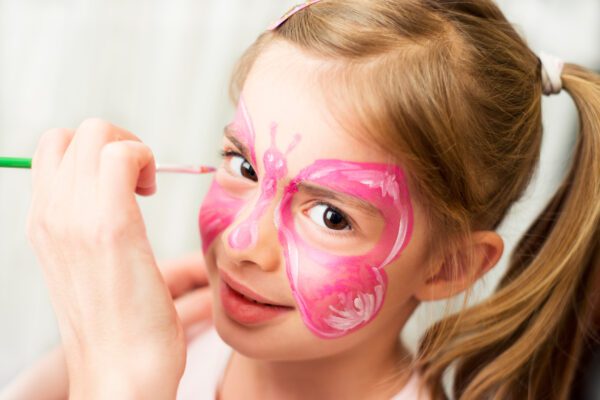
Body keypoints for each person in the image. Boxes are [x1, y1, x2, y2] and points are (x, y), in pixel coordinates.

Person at [3, 0, 600, 399]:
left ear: (449, 267)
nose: (241, 243)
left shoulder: (130, 365)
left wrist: (119, 374)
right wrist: (78, 353)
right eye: (243, 165)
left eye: (331, 215)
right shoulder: (180, 334)